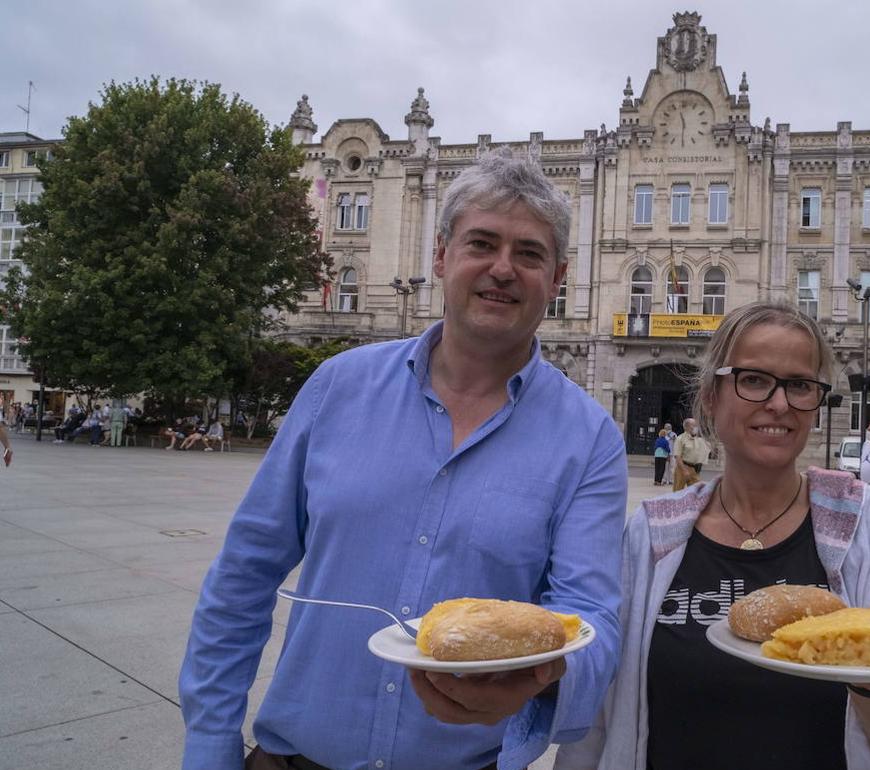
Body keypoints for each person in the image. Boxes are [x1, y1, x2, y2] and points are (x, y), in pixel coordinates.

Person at [180, 150, 628, 770]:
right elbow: (244, 575)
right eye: (482, 243)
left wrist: (542, 677)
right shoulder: (339, 387)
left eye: (529, 254)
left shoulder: (590, 438)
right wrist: (209, 744)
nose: (503, 269)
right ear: (441, 256)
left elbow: (589, 616)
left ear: (558, 279)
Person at [555, 301, 870, 770]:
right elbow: (600, 717)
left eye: (801, 385)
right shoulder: (652, 531)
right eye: (753, 380)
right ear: (710, 395)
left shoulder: (869, 521)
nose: (780, 403)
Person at [671, 417, 710, 492]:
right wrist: (684, 470)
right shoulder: (680, 439)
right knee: (677, 492)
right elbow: (677, 456)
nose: (696, 427)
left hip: (695, 469)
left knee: (695, 492)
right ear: (687, 427)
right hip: (682, 468)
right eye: (694, 425)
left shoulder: (698, 439)